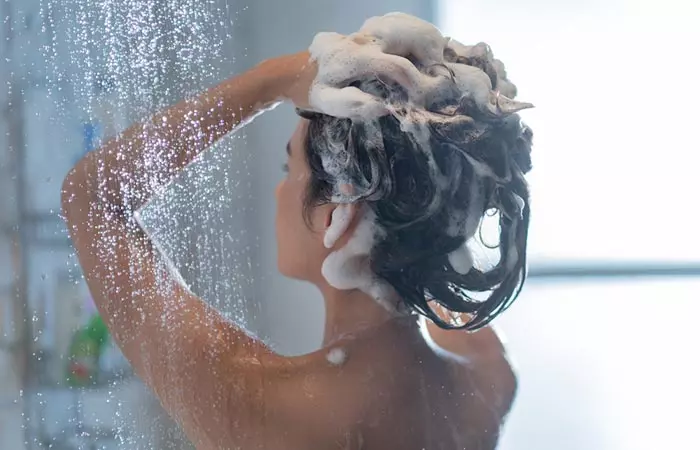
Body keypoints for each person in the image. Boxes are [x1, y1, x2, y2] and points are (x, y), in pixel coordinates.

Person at [61, 13, 532, 450]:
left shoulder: (266, 410)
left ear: (339, 218)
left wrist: (279, 79)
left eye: (290, 169)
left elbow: (92, 198)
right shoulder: (486, 384)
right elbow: (436, 233)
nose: (278, 193)